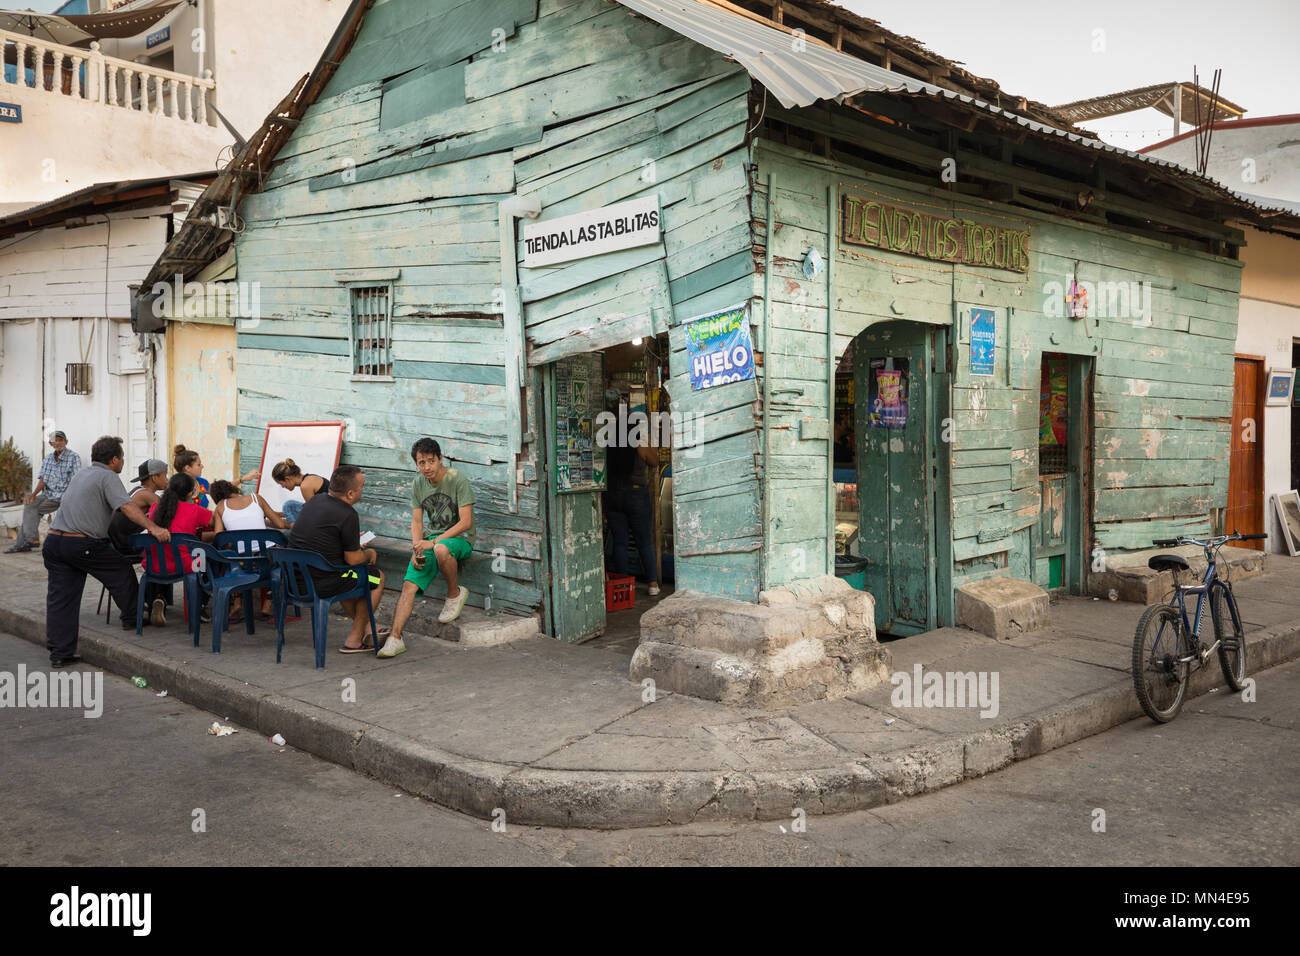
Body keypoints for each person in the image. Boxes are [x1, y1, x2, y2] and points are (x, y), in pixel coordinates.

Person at [42, 435, 170, 667]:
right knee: (121, 568)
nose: (122, 462)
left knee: (61, 600)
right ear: (113, 460)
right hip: (80, 543)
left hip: (54, 541)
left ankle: (60, 653)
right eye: (121, 458)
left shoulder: (82, 473)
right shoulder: (108, 476)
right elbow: (127, 507)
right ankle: (132, 617)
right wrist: (153, 528)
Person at [379, 438, 475, 660]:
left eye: (431, 461)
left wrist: (432, 543)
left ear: (440, 459)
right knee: (409, 585)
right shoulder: (418, 484)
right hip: (430, 541)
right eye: (421, 463)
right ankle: (395, 638)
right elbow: (416, 522)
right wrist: (417, 549)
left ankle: (454, 594)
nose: (427, 467)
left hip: (460, 539)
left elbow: (466, 522)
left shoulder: (457, 478)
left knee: (441, 548)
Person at [287, 465, 387, 653]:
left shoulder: (314, 501)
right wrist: (369, 554)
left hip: (294, 581)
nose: (363, 490)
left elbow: (324, 540)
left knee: (349, 577)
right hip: (321, 584)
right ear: (350, 493)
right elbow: (354, 560)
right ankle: (355, 640)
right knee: (376, 578)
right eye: (362, 486)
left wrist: (351, 543)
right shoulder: (347, 514)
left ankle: (366, 629)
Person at [602, 390, 660, 596]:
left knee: (620, 542)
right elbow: (654, 461)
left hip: (614, 496)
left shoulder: (608, 439)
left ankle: (624, 586)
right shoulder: (638, 438)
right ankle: (652, 584)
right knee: (644, 541)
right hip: (636, 496)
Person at [210, 478, 287, 619]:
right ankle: (268, 605)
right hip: (267, 561)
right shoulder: (256, 498)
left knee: (230, 560)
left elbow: (218, 538)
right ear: (233, 489)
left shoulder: (221, 507)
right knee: (282, 560)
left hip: (242, 564)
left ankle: (237, 602)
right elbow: (280, 525)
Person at [108, 459, 172, 627]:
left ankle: (157, 599)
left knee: (160, 551)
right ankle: (158, 597)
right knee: (163, 554)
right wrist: (172, 491)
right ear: (154, 477)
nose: (167, 479)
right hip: (123, 546)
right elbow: (169, 513)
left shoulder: (137, 491)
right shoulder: (146, 495)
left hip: (117, 541)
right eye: (165, 475)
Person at [7, 430, 81, 553]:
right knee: (29, 504)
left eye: (60, 440)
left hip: (62, 496)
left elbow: (76, 480)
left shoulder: (74, 457)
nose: (58, 443)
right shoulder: (48, 459)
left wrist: (70, 498)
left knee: (31, 512)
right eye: (55, 440)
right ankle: (30, 541)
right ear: (51, 443)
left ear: (66, 442)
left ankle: (25, 543)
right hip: (47, 494)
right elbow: (43, 479)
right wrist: (33, 494)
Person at [172, 444, 259, 510]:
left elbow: (222, 488)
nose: (202, 466)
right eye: (198, 464)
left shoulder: (201, 483)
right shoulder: (175, 487)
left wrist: (243, 479)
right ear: (188, 468)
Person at [271, 459, 327, 524]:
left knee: (288, 505)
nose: (283, 487)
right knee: (290, 506)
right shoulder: (309, 478)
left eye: (281, 484)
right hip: (324, 512)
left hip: (327, 518)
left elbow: (312, 515)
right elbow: (308, 509)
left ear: (287, 479)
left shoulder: (305, 486)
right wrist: (277, 515)